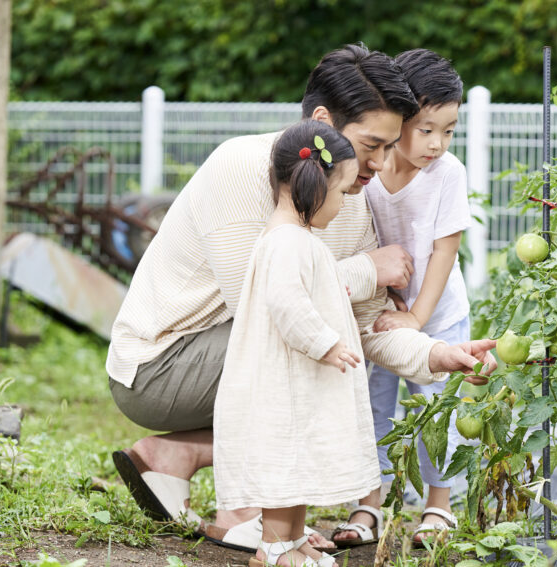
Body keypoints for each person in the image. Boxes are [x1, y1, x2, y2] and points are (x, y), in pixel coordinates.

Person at [106, 44, 498, 553]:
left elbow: (367, 328)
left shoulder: (351, 201)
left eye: (389, 147)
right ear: (322, 121)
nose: (379, 164)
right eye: (370, 145)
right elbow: (266, 306)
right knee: (308, 345)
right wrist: (365, 269)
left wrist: (435, 355)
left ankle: (178, 457)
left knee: (333, 350)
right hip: (159, 367)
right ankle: (248, 512)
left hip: (225, 362)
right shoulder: (242, 167)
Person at [214, 120, 377, 567]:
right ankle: (273, 548)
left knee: (298, 465)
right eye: (343, 192)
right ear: (314, 184)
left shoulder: (297, 238)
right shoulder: (287, 241)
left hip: (296, 379)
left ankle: (293, 539)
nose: (344, 205)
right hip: (284, 379)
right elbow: (287, 304)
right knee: (284, 467)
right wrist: (325, 343)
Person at [360, 48, 472, 548]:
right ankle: (369, 503)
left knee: (435, 408)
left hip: (440, 314)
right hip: (384, 316)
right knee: (372, 405)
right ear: (398, 115)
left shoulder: (447, 174)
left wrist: (419, 317)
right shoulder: (369, 173)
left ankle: (438, 505)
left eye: (449, 130)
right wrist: (389, 310)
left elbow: (445, 250)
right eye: (426, 129)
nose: (438, 143)